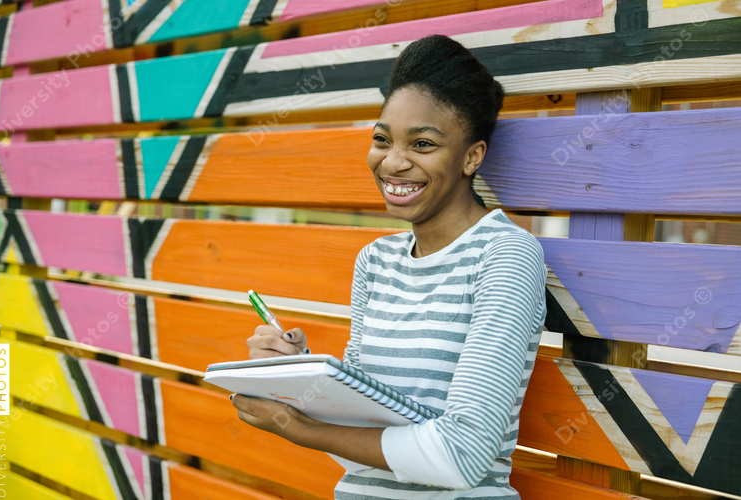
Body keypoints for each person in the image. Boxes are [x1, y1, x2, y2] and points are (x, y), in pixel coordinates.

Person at [233, 34, 548, 499]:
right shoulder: (376, 261)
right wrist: (296, 376)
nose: (393, 162)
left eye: (422, 144)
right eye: (382, 139)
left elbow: (463, 453)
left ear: (471, 156)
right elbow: (359, 438)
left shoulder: (504, 255)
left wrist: (298, 428)